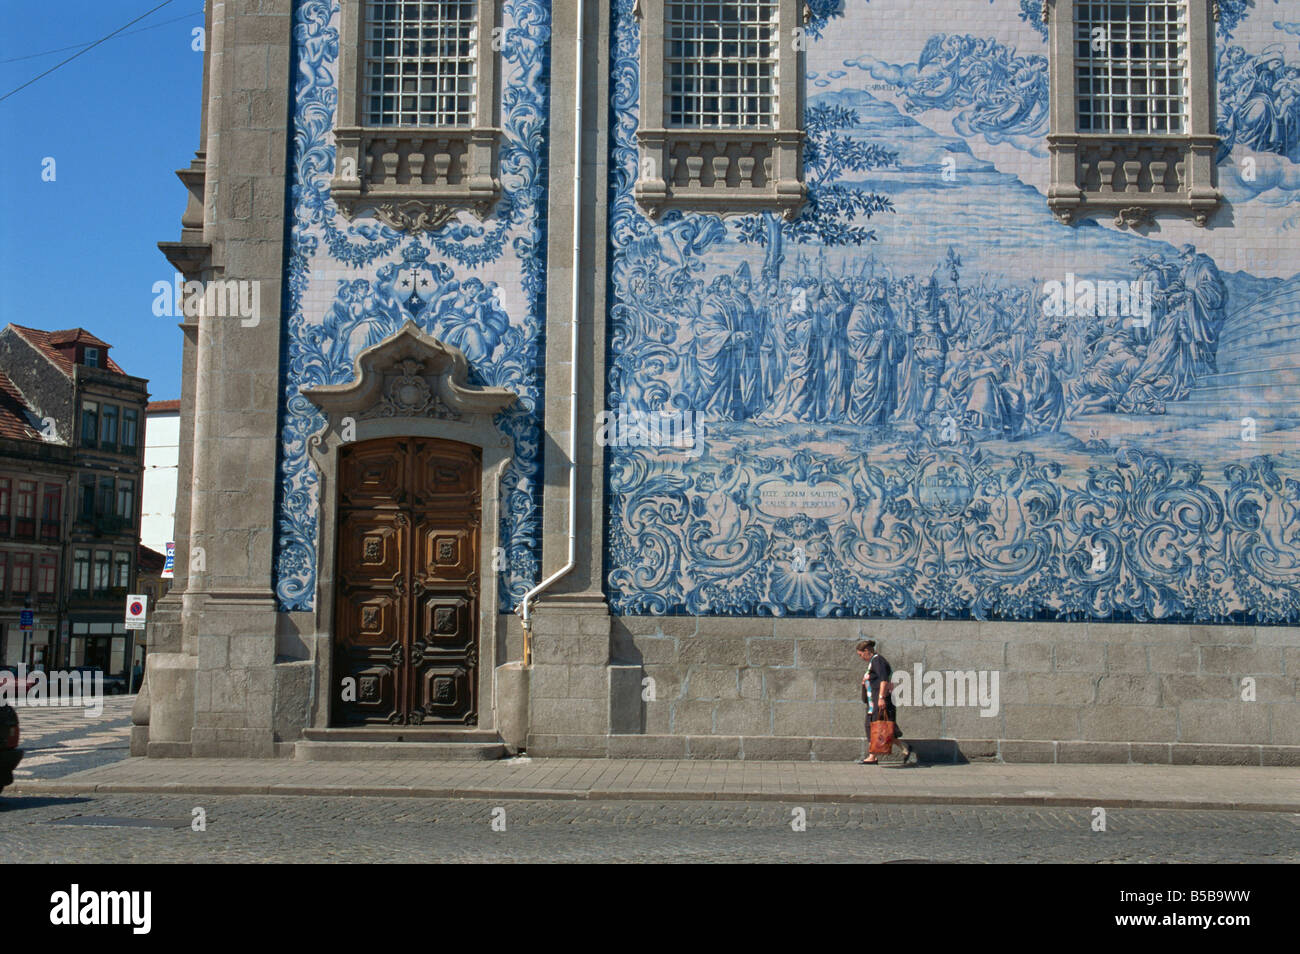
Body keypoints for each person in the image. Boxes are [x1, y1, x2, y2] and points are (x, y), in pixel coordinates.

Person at [856, 639, 915, 765]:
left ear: (866, 651)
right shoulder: (874, 662)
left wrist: (881, 697)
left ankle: (874, 756)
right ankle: (902, 748)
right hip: (873, 703)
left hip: (880, 701)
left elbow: (883, 680)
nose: (861, 658)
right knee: (874, 727)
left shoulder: (878, 661)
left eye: (860, 655)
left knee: (881, 727)